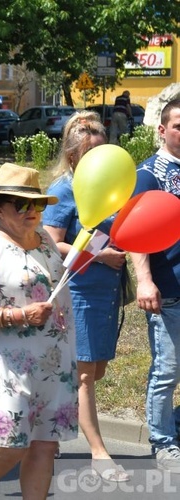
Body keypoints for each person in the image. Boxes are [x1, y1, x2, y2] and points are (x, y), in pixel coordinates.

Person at [0, 163, 79, 500]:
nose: (32, 211)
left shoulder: (46, 244)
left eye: (37, 204)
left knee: (43, 443)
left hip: (51, 360)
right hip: (5, 365)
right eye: (21, 204)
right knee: (11, 446)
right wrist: (19, 315)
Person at [41, 111, 130, 481]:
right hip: (77, 289)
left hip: (107, 290)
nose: (97, 158)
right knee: (84, 375)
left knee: (96, 368)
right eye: (89, 151)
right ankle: (98, 452)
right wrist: (101, 255)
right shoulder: (64, 189)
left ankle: (47, 427)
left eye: (101, 149)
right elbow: (50, 240)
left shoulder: (108, 183)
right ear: (73, 154)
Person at [130, 98, 180, 473]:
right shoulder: (150, 174)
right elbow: (135, 233)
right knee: (168, 369)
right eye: (179, 125)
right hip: (169, 291)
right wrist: (144, 281)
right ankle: (162, 441)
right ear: (162, 130)